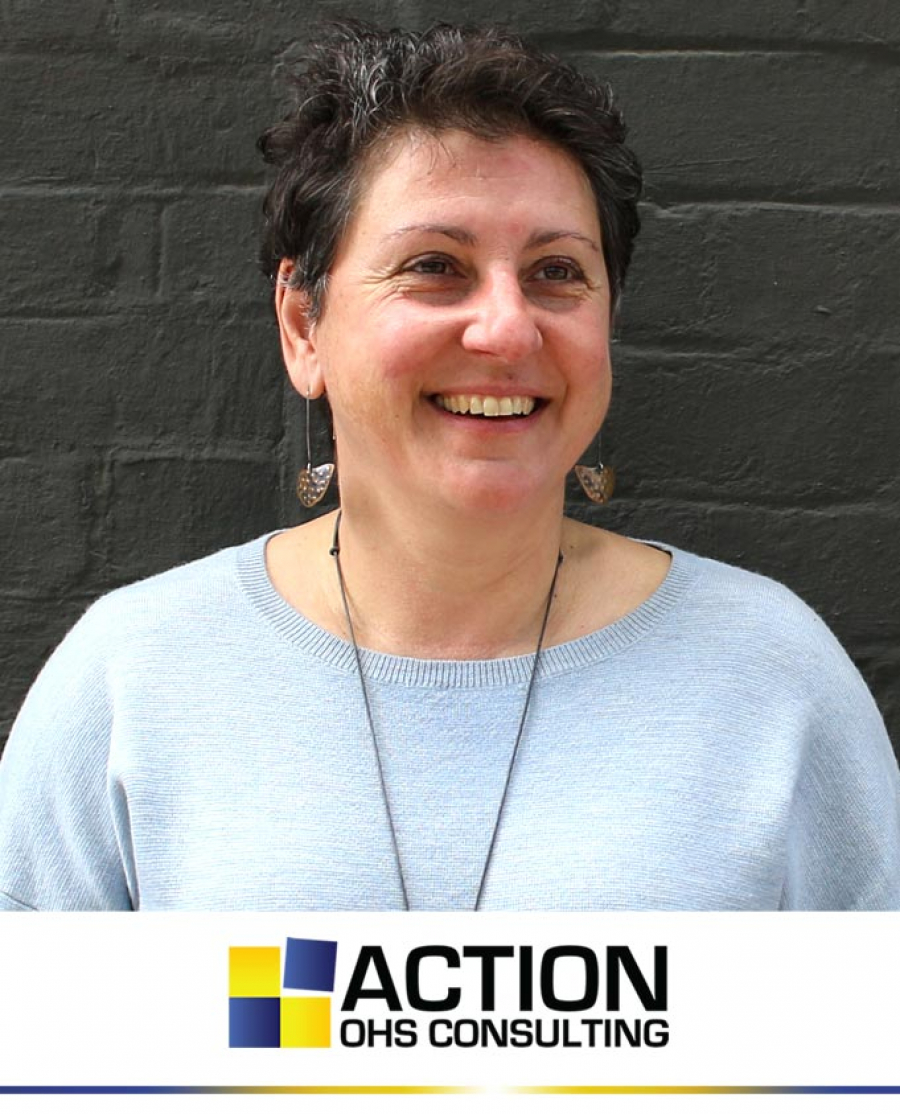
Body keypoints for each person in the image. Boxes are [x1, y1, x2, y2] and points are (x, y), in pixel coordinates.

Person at [1, 21, 898, 912]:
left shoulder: (771, 677)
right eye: (435, 266)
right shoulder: (134, 680)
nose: (507, 328)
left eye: (557, 272)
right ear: (304, 326)